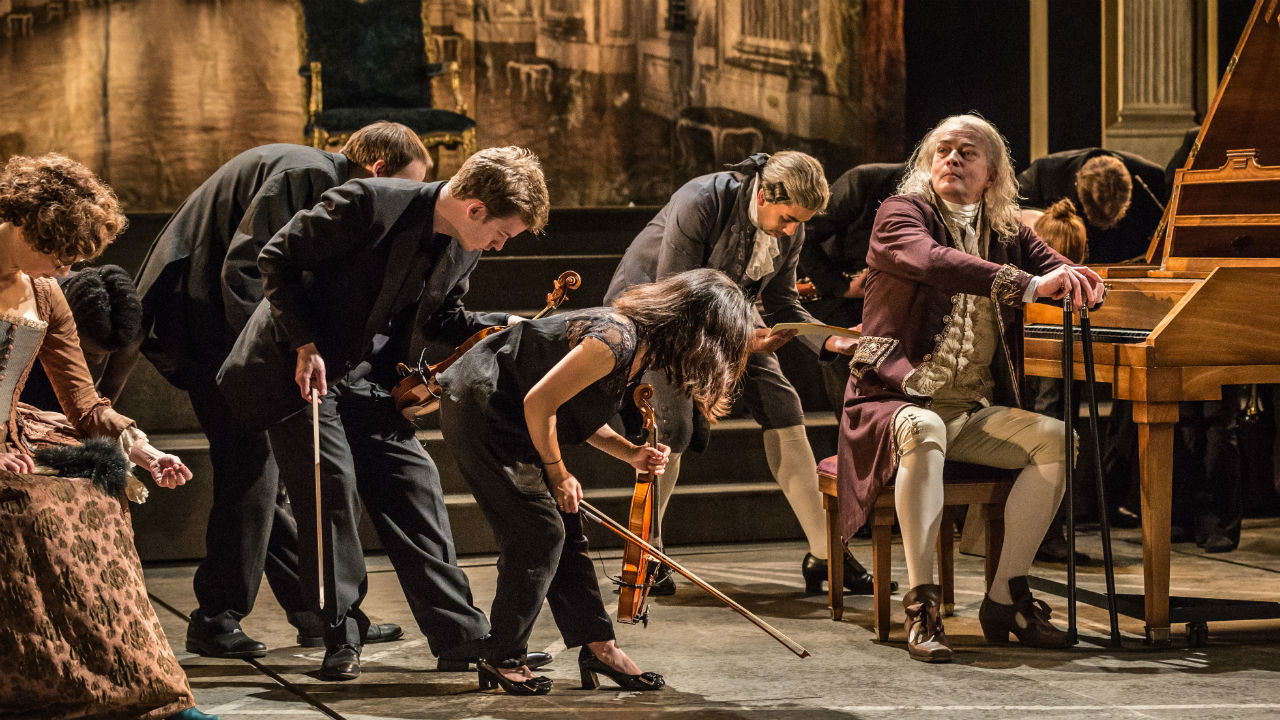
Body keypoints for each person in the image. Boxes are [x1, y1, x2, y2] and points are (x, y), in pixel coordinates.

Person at [218, 146, 551, 681]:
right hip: (299, 367)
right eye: (502, 233)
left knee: (415, 484)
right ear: (475, 209)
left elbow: (443, 318)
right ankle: (341, 635)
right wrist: (303, 343)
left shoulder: (462, 247)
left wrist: (503, 324)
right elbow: (275, 258)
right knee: (331, 489)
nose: (499, 245)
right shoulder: (366, 201)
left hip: (368, 378)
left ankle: (460, 637)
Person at [134, 122, 428, 657]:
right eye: (404, 189)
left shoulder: (315, 176)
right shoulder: (305, 172)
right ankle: (216, 617)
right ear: (379, 171)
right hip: (207, 327)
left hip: (210, 324)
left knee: (261, 475)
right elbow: (245, 270)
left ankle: (316, 612)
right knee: (250, 468)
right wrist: (279, 354)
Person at [836, 115, 1106, 663]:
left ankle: (1006, 597)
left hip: (968, 408)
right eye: (943, 150)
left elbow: (1054, 265)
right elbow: (932, 260)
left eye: (967, 152)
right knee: (925, 428)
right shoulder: (901, 214)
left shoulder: (1004, 229)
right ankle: (923, 605)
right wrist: (1029, 284)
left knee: (1058, 439)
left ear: (993, 174)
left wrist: (1082, 280)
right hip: (892, 400)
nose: (953, 159)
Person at [438, 268, 754, 695]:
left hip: (513, 413)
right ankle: (503, 656)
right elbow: (540, 402)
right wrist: (558, 472)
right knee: (539, 533)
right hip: (483, 407)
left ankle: (599, 648)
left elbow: (574, 411)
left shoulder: (637, 347)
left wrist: (631, 453)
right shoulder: (614, 339)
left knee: (565, 531)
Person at [0, 153, 214, 719]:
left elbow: (83, 402)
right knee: (25, 512)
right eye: (59, 254)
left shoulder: (45, 294)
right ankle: (44, 682)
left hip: (15, 437)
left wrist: (143, 449)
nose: (65, 268)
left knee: (97, 495)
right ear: (24, 227)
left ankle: (142, 687)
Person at [604, 151, 875, 597]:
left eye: (800, 223)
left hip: (731, 320)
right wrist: (744, 339)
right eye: (787, 218)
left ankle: (826, 553)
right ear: (764, 194)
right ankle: (645, 555)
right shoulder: (702, 200)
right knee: (671, 427)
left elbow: (784, 302)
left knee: (784, 407)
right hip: (660, 318)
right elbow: (676, 291)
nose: (791, 230)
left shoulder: (789, 228)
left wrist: (833, 341)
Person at [801, 161, 907, 414]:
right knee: (856, 400)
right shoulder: (862, 181)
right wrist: (840, 286)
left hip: (904, 304)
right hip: (850, 301)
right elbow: (804, 233)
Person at [1018, 147, 1167, 264]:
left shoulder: (1151, 177)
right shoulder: (1043, 174)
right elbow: (1011, 218)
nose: (1104, 228)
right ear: (1078, 187)